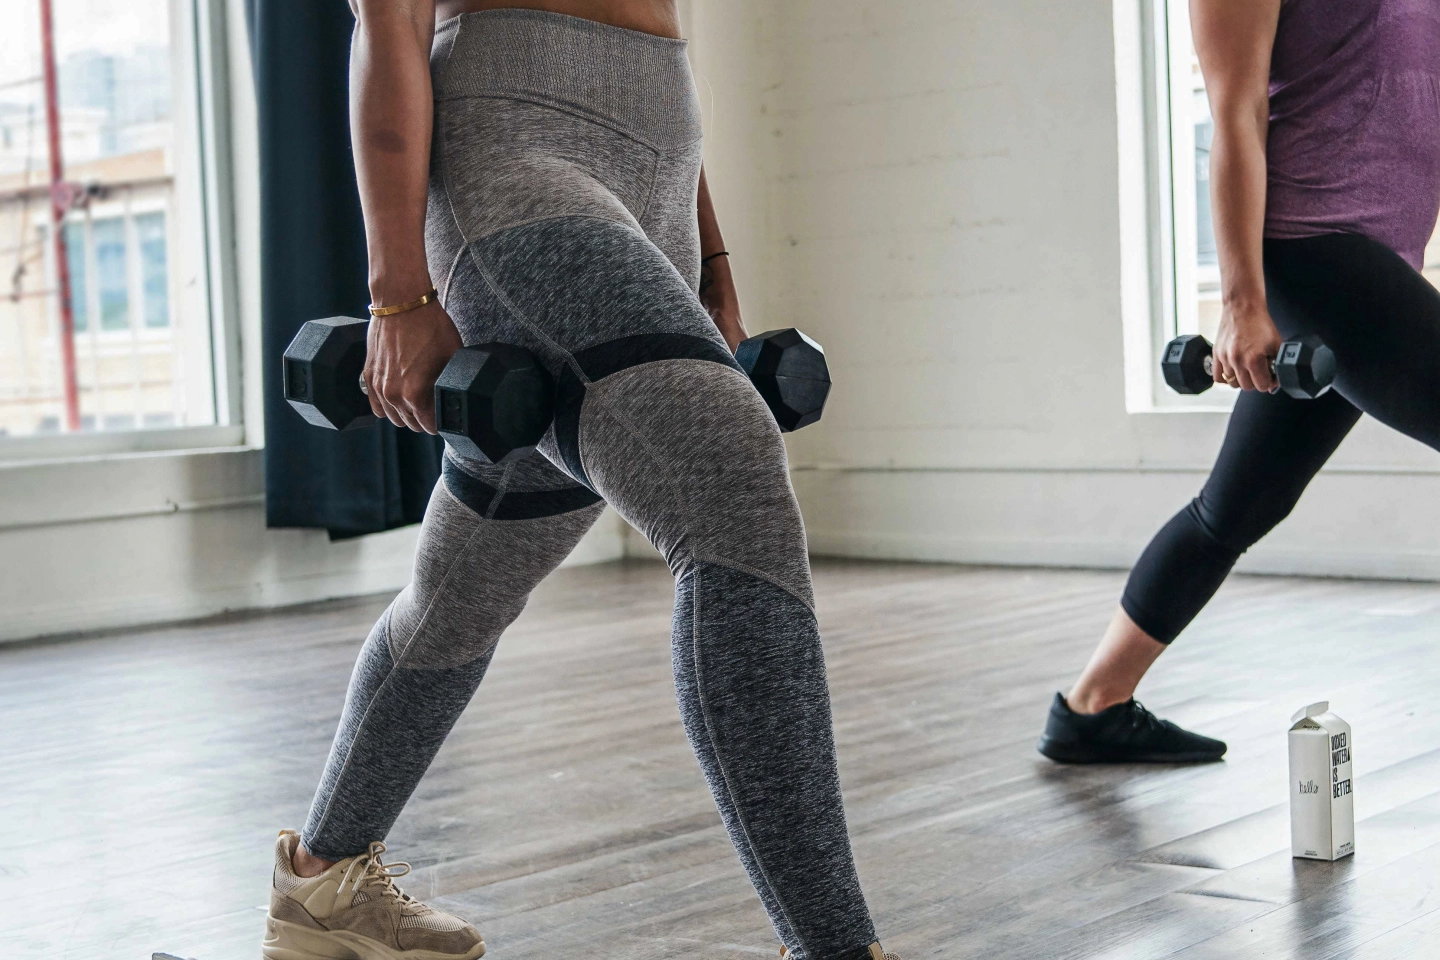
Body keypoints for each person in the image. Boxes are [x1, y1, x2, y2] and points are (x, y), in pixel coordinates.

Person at [261, 3, 902, 960]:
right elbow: (389, 21)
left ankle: (323, 892)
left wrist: (710, 255)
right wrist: (397, 290)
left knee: (464, 587)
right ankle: (835, 948)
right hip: (512, 158)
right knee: (728, 481)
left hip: (655, 176)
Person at [1038, 0, 1440, 764]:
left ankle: (1092, 706)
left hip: (1378, 260)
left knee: (1239, 504)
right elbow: (1234, 110)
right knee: (1237, 505)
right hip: (1315, 251)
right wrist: (1241, 303)